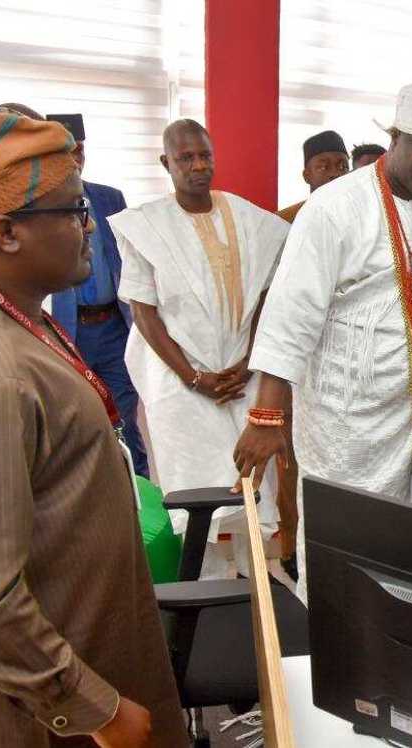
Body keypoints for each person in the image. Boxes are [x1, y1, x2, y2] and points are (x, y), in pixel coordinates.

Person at [0, 112, 185, 746]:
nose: (90, 227)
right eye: (74, 210)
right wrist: (97, 709)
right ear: (5, 233)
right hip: (30, 712)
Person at [234, 81, 412, 600]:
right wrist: (267, 416)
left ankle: (409, 635)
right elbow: (290, 313)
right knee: (345, 542)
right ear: (394, 138)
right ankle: (331, 648)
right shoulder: (336, 205)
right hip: (352, 415)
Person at [111, 118, 289, 579]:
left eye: (204, 155)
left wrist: (249, 364)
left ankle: (252, 582)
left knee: (251, 484)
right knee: (193, 489)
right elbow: (144, 314)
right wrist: (193, 377)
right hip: (181, 383)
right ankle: (202, 583)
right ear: (165, 163)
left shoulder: (251, 219)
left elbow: (268, 299)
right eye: (186, 158)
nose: (197, 165)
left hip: (240, 376)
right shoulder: (146, 226)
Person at [44, 113, 150, 478]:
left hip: (116, 329)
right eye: (66, 152)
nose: (75, 159)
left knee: (125, 422)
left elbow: (129, 261)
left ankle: (142, 505)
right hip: (68, 332)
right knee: (75, 425)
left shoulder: (109, 198)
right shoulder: (40, 205)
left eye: (80, 151)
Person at [278, 130, 349, 224]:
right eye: (323, 167)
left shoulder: (364, 216)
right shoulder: (284, 221)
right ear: (306, 176)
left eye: (342, 167)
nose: (335, 173)